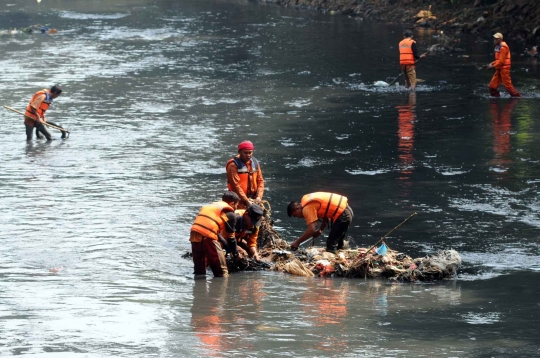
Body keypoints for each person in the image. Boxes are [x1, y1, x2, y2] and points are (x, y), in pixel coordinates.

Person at [189, 191, 242, 278]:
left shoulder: (212, 206)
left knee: (199, 269)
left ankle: (198, 290)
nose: (236, 208)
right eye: (236, 205)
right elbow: (231, 238)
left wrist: (228, 248)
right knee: (221, 272)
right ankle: (219, 290)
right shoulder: (230, 214)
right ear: (232, 203)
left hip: (194, 234)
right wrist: (236, 254)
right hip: (208, 236)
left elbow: (218, 234)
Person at [287, 192, 353, 253]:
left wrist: (297, 242)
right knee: (338, 242)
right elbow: (326, 218)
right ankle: (341, 250)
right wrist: (320, 230)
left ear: (297, 208)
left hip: (343, 215)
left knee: (331, 244)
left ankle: (333, 262)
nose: (298, 217)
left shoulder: (306, 209)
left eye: (295, 215)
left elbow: (311, 230)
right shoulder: (308, 204)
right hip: (347, 211)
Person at [226, 140, 265, 209]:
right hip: (238, 200)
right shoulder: (233, 166)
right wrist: (246, 201)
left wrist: (259, 197)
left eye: (250, 152)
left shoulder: (255, 163)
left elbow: (260, 181)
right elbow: (236, 186)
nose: (248, 155)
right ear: (239, 152)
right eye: (245, 153)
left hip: (254, 199)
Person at [488, 33, 521, 98]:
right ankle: (496, 98)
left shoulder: (503, 47)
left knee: (508, 87)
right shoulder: (498, 46)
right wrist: (492, 63)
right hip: (499, 68)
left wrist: (492, 66)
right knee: (492, 87)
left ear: (500, 40)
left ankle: (518, 97)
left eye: (496, 39)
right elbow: (498, 60)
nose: (494, 40)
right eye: (494, 39)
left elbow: (501, 61)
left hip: (504, 69)